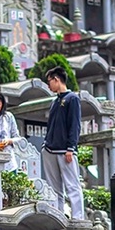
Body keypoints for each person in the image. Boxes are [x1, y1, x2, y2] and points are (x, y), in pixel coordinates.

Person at [42, 66, 84, 219]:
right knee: (54, 187)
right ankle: (58, 215)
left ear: (56, 79)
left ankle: (78, 217)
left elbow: (74, 125)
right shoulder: (55, 101)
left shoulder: (72, 98)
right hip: (50, 149)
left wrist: (71, 148)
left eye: (49, 82)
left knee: (72, 185)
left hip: (65, 150)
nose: (49, 86)